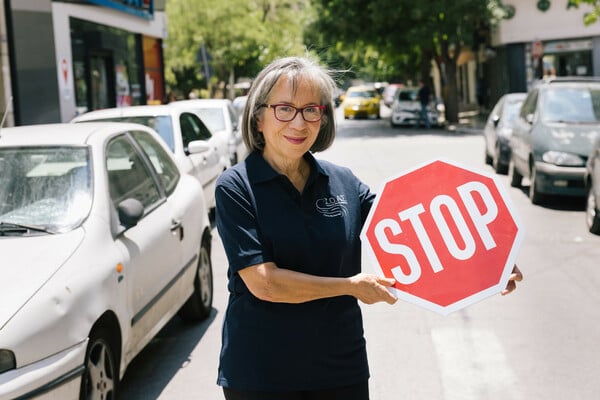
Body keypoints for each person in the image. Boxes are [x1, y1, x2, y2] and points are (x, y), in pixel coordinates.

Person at [214, 56, 523, 400]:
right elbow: (265, 283)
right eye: (284, 108)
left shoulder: (342, 182)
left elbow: (419, 228)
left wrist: (489, 262)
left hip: (340, 368)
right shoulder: (236, 187)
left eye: (311, 109)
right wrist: (349, 287)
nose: (299, 123)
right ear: (258, 118)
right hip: (261, 375)